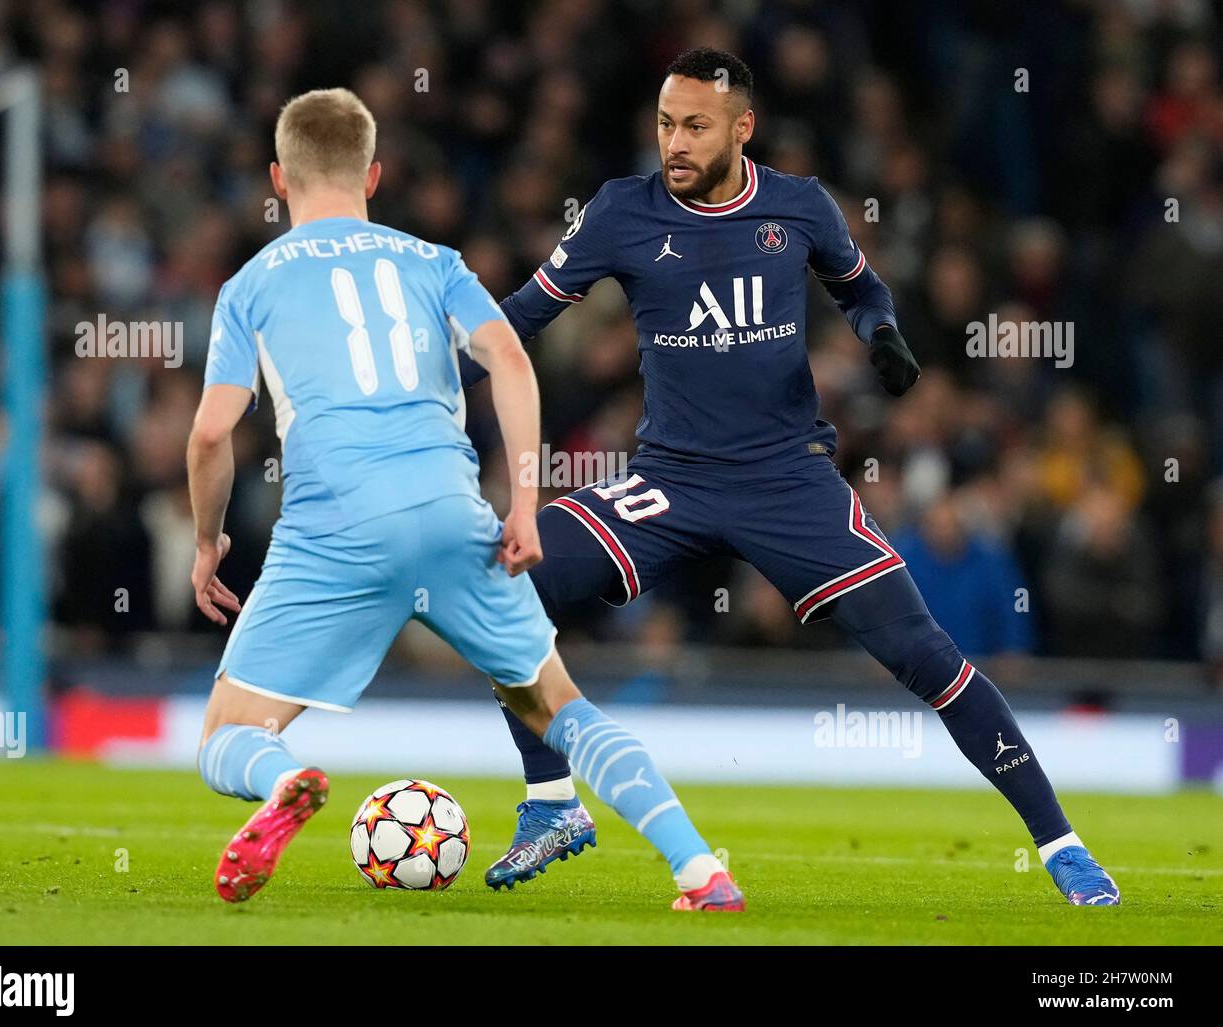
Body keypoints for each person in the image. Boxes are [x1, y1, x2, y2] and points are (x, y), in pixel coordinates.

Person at [468, 48, 1119, 908]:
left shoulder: (799, 206)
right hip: (671, 481)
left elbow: (862, 289)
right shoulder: (622, 213)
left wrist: (882, 335)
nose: (675, 142)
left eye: (695, 125)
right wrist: (428, 381)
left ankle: (1063, 846)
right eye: (666, 123)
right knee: (506, 579)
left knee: (928, 658)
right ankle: (551, 802)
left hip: (787, 481)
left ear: (743, 128)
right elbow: (515, 322)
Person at [187, 87, 743, 911]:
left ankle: (284, 779)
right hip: (454, 513)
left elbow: (208, 436)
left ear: (278, 177)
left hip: (333, 530)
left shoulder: (250, 286)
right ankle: (702, 871)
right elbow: (512, 363)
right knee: (560, 707)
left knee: (227, 734)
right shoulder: (432, 262)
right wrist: (523, 504)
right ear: (373, 174)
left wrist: (207, 543)